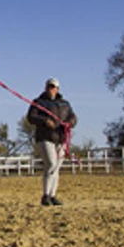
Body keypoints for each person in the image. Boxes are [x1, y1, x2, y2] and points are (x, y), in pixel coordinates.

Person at [27, 77, 77, 206]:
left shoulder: (65, 104)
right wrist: (44, 121)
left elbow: (73, 117)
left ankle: (52, 195)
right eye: (49, 86)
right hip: (45, 137)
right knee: (51, 164)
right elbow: (31, 117)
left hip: (61, 138)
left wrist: (69, 123)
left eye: (53, 86)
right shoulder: (38, 102)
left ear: (57, 89)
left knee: (57, 168)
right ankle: (45, 195)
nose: (50, 89)